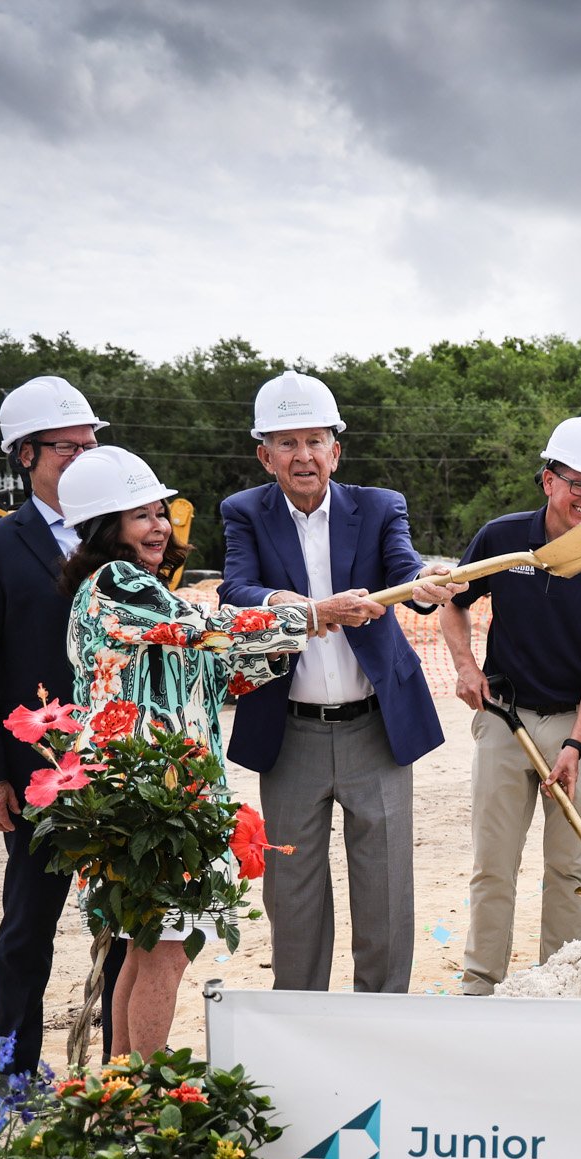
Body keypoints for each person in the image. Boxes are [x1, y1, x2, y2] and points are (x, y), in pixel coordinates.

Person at [56, 446, 315, 1056]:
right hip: (150, 797)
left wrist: (291, 642)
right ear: (105, 528)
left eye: (160, 512)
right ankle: (143, 1100)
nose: (160, 526)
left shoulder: (145, 593)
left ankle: (121, 1088)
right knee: (166, 954)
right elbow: (204, 627)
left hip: (168, 791)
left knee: (146, 949)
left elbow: (219, 676)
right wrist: (306, 613)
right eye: (141, 515)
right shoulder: (116, 583)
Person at [220, 371, 460, 995]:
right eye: (287, 442)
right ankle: (303, 1022)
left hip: (375, 731)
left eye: (315, 441)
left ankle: (382, 1021)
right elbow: (237, 592)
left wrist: (428, 581)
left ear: (336, 450)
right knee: (292, 896)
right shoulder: (244, 512)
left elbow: (408, 571)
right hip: (289, 732)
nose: (304, 456)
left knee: (384, 891)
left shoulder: (380, 507)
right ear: (264, 454)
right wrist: (309, 611)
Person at [0, 377, 126, 1079]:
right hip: (37, 776)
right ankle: (15, 1073)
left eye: (91, 444)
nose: (83, 457)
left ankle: (116, 1072)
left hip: (118, 765)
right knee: (29, 930)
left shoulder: (119, 533)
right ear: (25, 455)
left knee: (124, 923)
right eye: (67, 447)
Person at [442, 416, 581, 994]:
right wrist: (464, 665)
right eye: (579, 484)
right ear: (548, 479)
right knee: (494, 863)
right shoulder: (502, 538)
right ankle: (482, 984)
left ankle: (561, 985)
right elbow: (454, 602)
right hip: (506, 717)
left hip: (580, 725)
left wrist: (577, 744)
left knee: (568, 866)